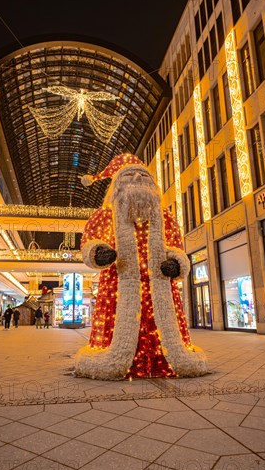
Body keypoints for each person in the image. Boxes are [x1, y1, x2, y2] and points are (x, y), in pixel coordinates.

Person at [75, 153, 209, 380]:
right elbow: (89, 242)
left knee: (164, 328)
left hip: (160, 289)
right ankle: (121, 361)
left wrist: (175, 264)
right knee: (119, 327)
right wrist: (99, 252)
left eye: (143, 176)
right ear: (117, 185)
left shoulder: (165, 217)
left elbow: (176, 246)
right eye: (130, 175)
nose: (137, 177)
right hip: (119, 287)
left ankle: (164, 360)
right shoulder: (104, 216)